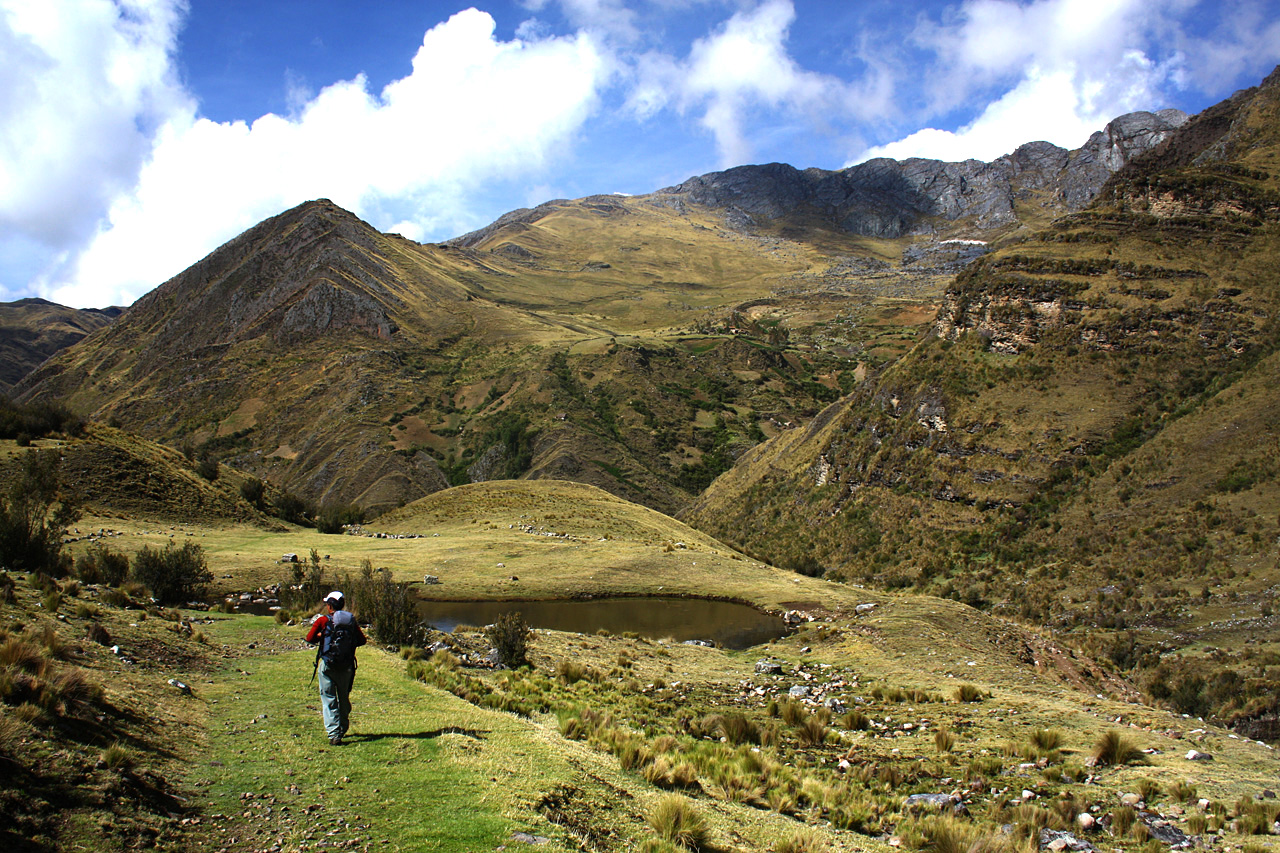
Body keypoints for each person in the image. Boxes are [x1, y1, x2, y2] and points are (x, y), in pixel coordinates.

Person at [305, 590, 367, 746]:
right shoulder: (351, 621)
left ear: (330, 605)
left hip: (327, 665)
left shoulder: (323, 621)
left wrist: (323, 636)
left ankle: (334, 734)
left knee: (328, 698)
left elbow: (309, 638)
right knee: (343, 697)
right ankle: (342, 728)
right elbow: (362, 641)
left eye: (327, 603)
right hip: (346, 666)